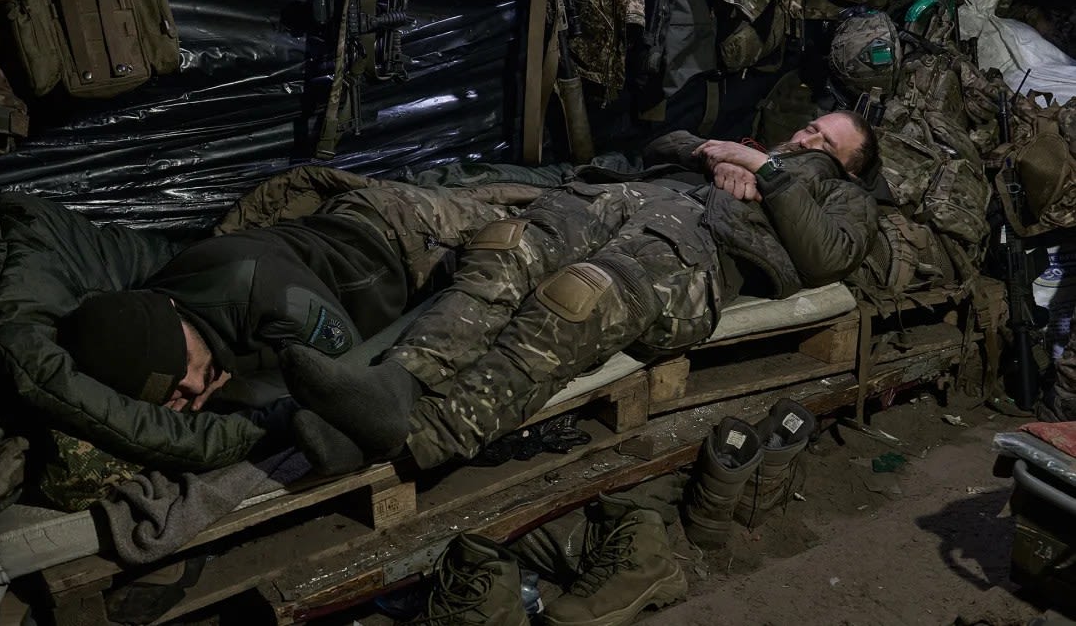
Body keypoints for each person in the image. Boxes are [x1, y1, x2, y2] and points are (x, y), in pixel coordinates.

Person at [280, 111, 882, 470]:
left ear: (848, 168)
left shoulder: (841, 197)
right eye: (809, 129)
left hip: (690, 255)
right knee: (506, 245)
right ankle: (398, 384)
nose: (806, 141)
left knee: (578, 299)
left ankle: (421, 436)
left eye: (825, 145)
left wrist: (767, 174)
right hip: (617, 204)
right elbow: (661, 144)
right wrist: (714, 154)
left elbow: (825, 254)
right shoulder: (743, 148)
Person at [58, 180, 526, 472]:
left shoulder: (264, 289)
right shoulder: (160, 310)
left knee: (537, 224)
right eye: (173, 394)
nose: (191, 385)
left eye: (182, 364)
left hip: (410, 238)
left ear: (175, 313)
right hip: (365, 243)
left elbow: (340, 370)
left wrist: (235, 390)